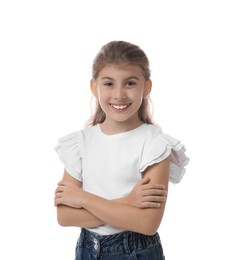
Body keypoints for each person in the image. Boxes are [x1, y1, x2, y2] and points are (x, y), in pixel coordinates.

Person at [54, 40, 189, 260]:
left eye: (130, 83)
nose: (119, 94)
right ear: (93, 87)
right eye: (108, 84)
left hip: (135, 251)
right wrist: (128, 202)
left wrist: (82, 199)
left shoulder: (153, 144)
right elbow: (65, 216)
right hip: (87, 249)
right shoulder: (80, 142)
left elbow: (147, 223)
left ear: (147, 87)